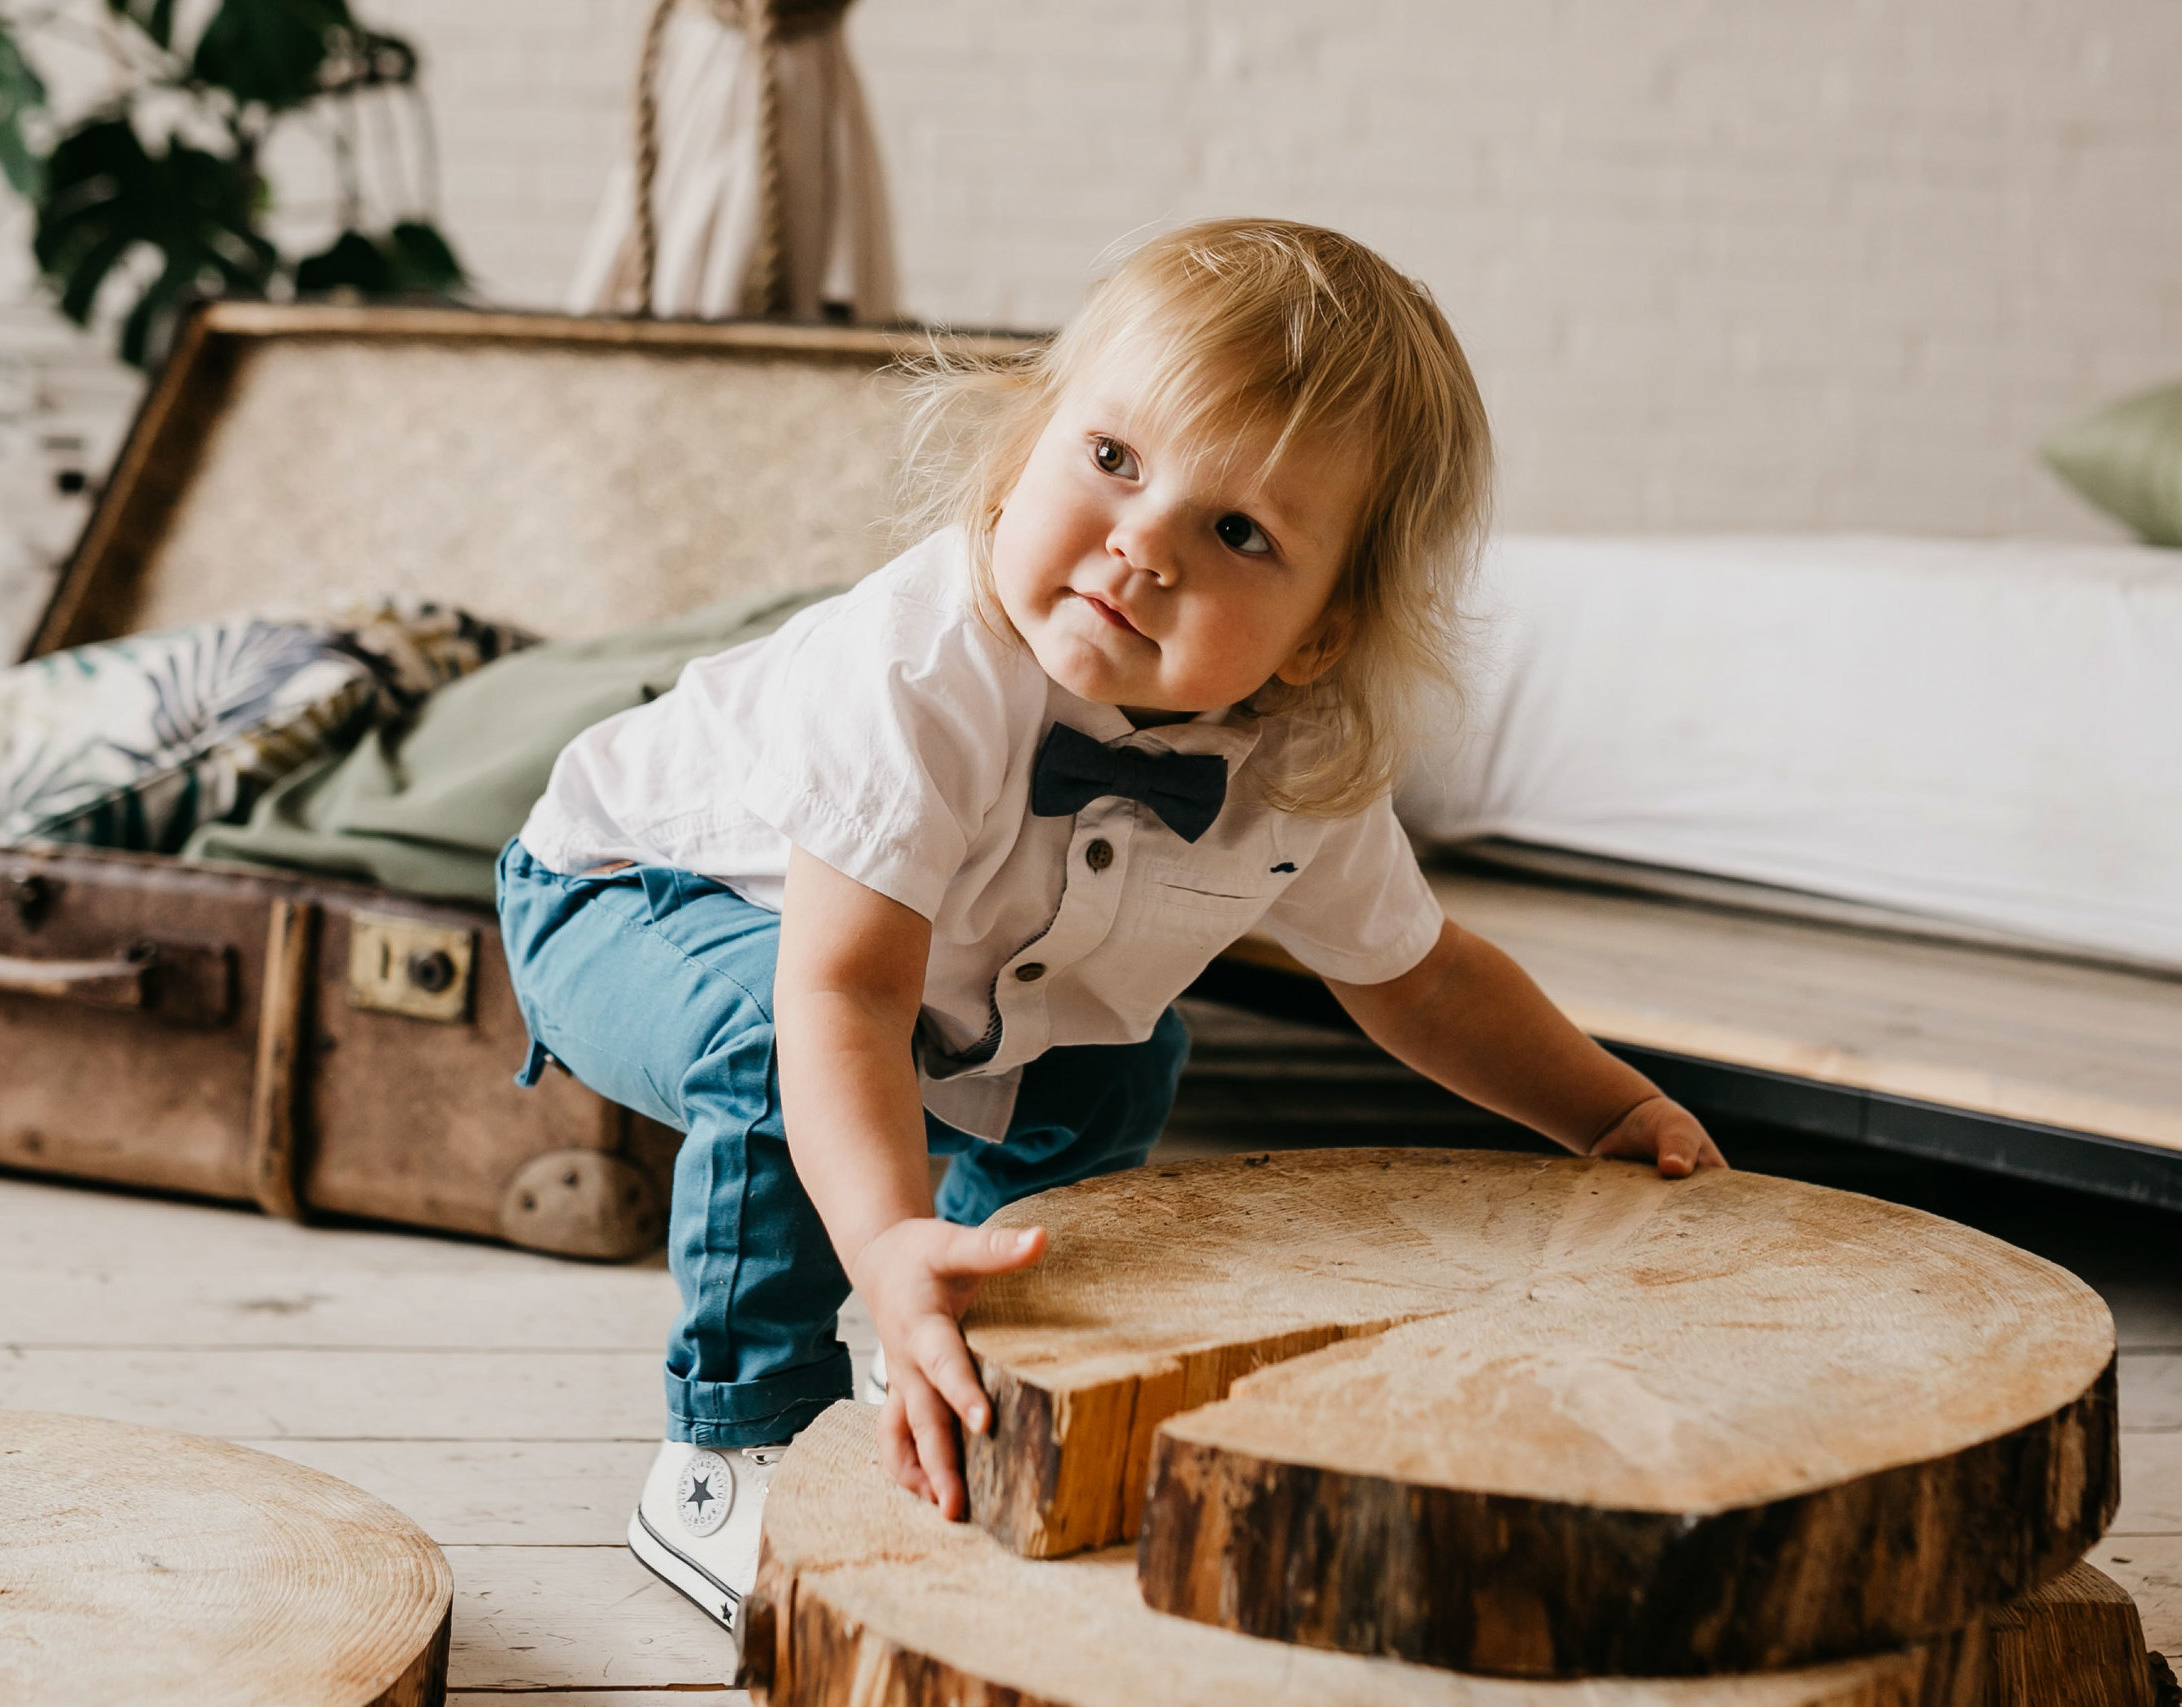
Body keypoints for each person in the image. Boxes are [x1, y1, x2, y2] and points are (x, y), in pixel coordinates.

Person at [494, 218, 1726, 1627]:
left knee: (1117, 1063)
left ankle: (973, 1360)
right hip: (633, 897)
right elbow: (839, 999)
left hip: (907, 983)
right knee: (771, 1049)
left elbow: (1425, 981)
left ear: (1319, 635)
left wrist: (1610, 1112)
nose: (1140, 544)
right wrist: (884, 1239)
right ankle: (729, 1447)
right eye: (1113, 461)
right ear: (1025, 455)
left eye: (1240, 531)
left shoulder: (1297, 764)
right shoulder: (920, 674)